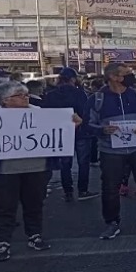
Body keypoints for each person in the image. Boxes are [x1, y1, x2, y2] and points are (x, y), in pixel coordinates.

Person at [0, 82, 81, 262]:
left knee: (34, 203)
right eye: (19, 95)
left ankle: (35, 235)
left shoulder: (41, 113)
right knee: (4, 207)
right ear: (5, 100)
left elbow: (60, 135)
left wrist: (71, 125)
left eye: (26, 94)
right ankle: (3, 242)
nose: (25, 97)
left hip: (37, 168)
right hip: (5, 170)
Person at [87, 63, 136, 240]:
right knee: (110, 188)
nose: (131, 76)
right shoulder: (97, 98)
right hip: (110, 150)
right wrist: (102, 130)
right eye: (126, 73)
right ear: (114, 77)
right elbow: (88, 124)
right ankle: (112, 222)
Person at [42, 67, 97, 202]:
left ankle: (68, 192)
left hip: (61, 132)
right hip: (81, 132)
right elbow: (85, 112)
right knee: (83, 162)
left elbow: (46, 114)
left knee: (65, 164)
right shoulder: (80, 93)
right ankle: (83, 190)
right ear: (73, 79)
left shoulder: (51, 94)